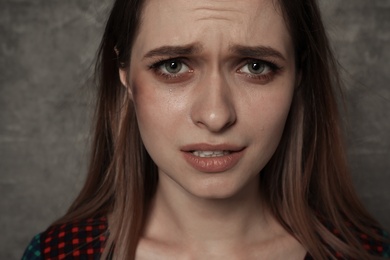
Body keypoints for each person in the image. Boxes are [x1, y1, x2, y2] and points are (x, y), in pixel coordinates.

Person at [22, 0, 389, 259]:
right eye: (173, 66)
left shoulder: (371, 253)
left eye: (256, 67)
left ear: (299, 76)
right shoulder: (57, 254)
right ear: (125, 75)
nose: (215, 115)